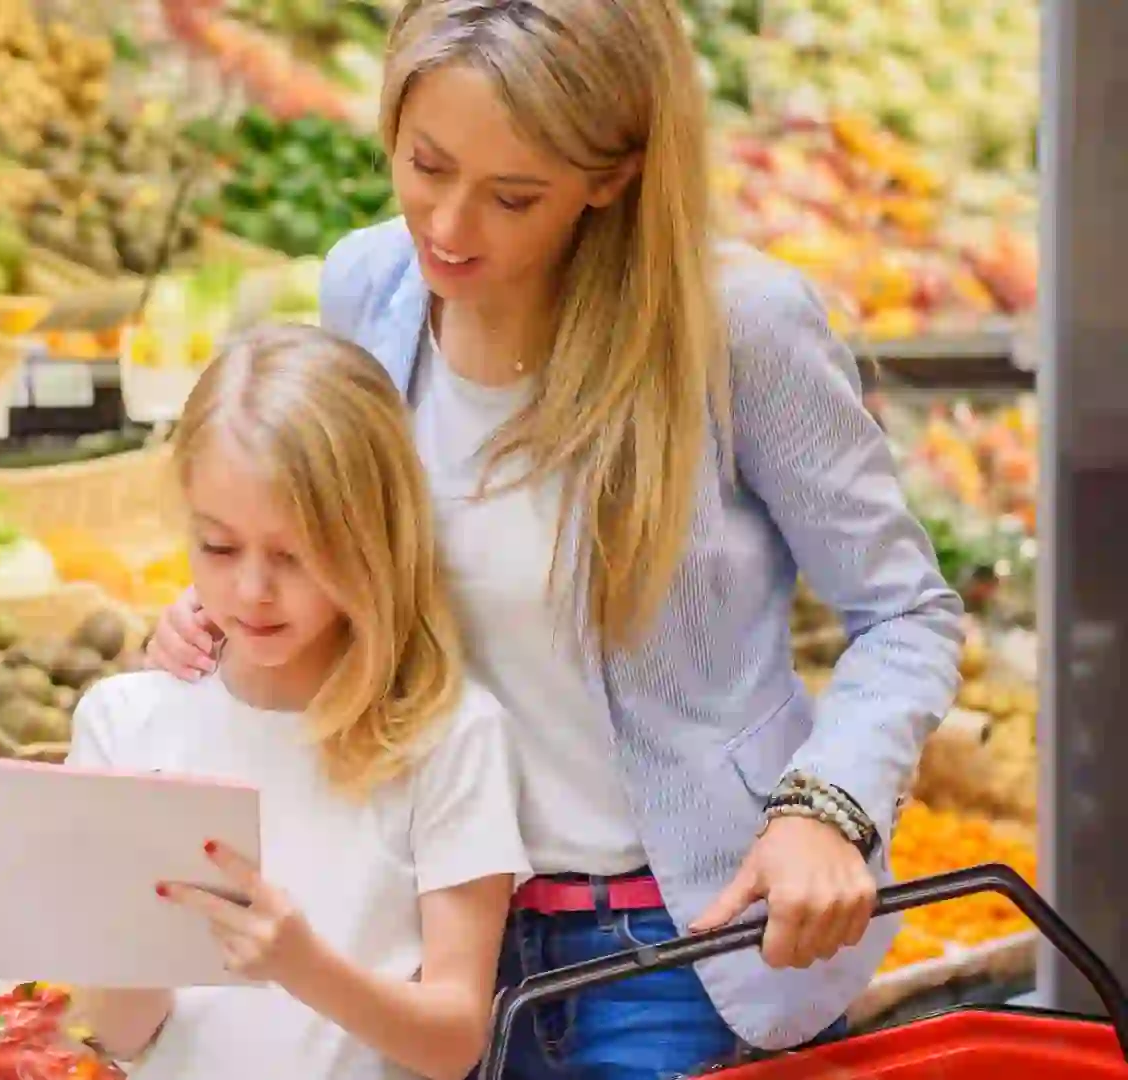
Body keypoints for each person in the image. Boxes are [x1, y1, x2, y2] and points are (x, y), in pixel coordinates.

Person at [144, 0, 965, 1075]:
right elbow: (349, 548)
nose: (447, 226)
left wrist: (827, 811)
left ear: (611, 175)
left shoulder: (737, 329)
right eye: (424, 165)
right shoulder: (369, 288)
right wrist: (231, 615)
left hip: (671, 953)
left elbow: (905, 614)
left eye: (512, 195)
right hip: (422, 941)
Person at [66, 324, 531, 1080]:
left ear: (374, 538)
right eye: (218, 548)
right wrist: (124, 947)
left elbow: (452, 1040)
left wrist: (301, 963)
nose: (251, 590)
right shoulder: (124, 722)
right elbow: (116, 1035)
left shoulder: (447, 736)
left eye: (293, 554)